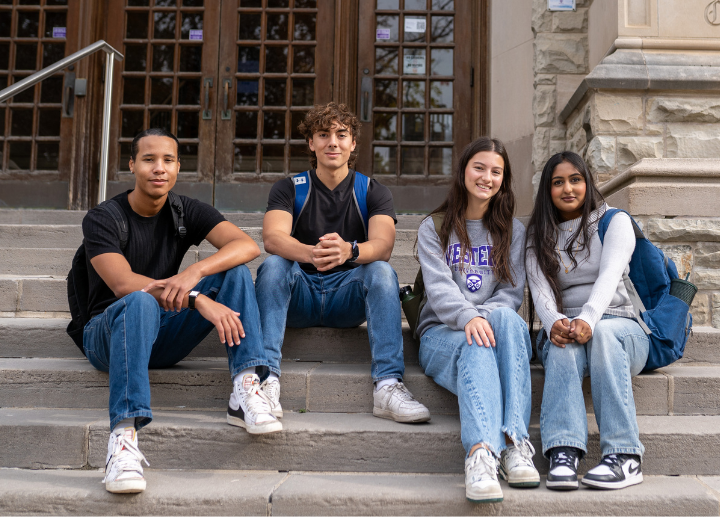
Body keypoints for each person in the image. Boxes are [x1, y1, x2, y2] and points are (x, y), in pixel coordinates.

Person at [82, 128, 280, 495]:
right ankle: (123, 441)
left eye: (168, 160)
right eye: (149, 159)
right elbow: (124, 284)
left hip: (162, 333)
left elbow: (247, 246)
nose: (159, 168)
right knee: (139, 300)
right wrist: (197, 298)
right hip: (107, 336)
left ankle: (245, 386)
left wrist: (195, 271)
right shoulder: (103, 218)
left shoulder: (185, 210)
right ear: (132, 165)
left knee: (233, 270)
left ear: (177, 167)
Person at [254, 102, 430, 423]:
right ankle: (265, 380)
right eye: (323, 134)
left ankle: (388, 385)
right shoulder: (289, 188)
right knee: (273, 266)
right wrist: (312, 254)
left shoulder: (373, 191)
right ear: (311, 143)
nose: (332, 142)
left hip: (346, 299)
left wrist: (349, 251)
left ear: (352, 144)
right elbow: (273, 239)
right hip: (300, 296)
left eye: (341, 134)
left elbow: (384, 245)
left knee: (381, 271)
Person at [416, 137, 538, 504]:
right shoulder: (434, 226)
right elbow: (438, 290)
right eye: (479, 168)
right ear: (464, 171)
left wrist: (480, 318)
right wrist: (468, 317)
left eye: (496, 171)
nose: (487, 177)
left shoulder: (513, 231)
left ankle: (515, 444)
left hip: (490, 327)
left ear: (504, 178)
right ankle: (481, 453)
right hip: (440, 332)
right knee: (477, 341)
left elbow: (511, 294)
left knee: (508, 322)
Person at [526, 151, 647, 491]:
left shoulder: (615, 221)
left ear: (588, 183)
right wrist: (554, 323)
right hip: (566, 325)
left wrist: (590, 319)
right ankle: (563, 452)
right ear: (547, 191)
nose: (568, 188)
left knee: (606, 334)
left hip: (621, 326)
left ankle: (625, 457)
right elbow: (540, 291)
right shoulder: (537, 234)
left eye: (575, 180)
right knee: (560, 346)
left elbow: (609, 277)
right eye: (558, 182)